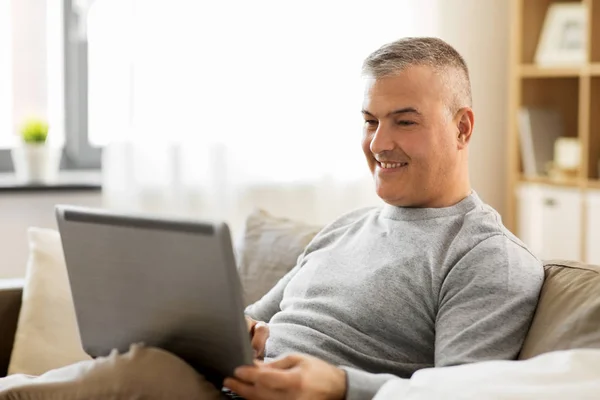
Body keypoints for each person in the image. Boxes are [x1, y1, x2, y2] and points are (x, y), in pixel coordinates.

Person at [0, 37, 544, 400]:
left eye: (404, 121)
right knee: (147, 363)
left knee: (140, 375)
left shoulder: (487, 257)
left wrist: (338, 385)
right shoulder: (345, 228)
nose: (379, 143)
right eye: (370, 121)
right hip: (227, 388)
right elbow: (249, 327)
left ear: (463, 128)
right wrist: (229, 332)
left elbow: (462, 393)